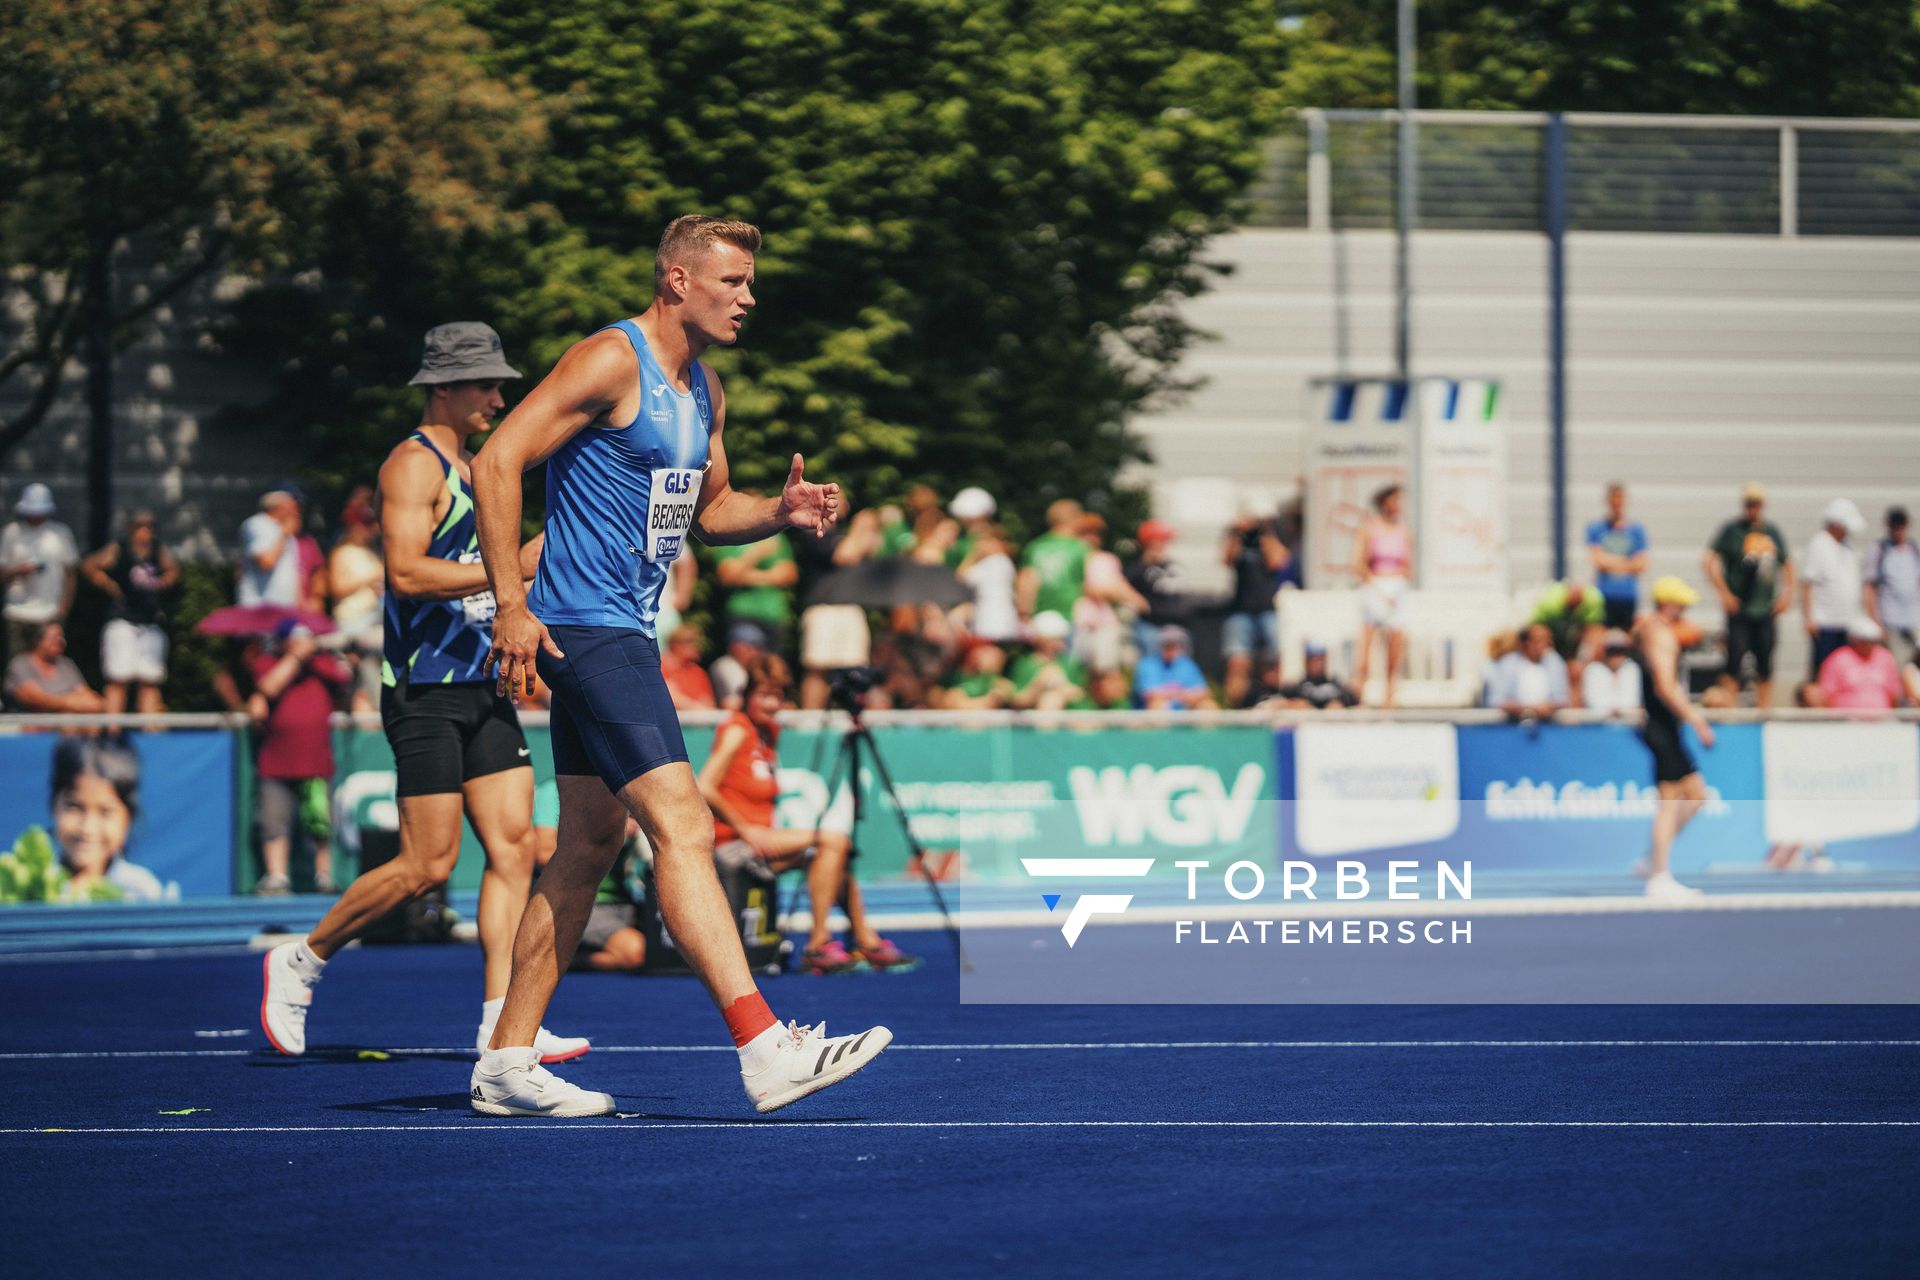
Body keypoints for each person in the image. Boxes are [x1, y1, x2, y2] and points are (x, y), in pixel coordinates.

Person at [467, 215, 890, 1117]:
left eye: (748, 283)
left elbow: (711, 510)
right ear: (675, 282)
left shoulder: (705, 387)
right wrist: (509, 603)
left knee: (586, 843)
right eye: (732, 281)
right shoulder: (608, 361)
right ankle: (763, 1045)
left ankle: (505, 1062)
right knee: (683, 827)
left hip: (626, 629)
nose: (748, 297)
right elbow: (497, 460)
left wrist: (780, 511)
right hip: (584, 628)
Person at [259, 321, 588, 1065]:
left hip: (482, 684)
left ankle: (502, 1026)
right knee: (427, 867)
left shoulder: (477, 466)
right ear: (441, 388)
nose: (498, 398)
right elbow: (405, 574)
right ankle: (302, 958)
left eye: (500, 384)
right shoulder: (412, 467)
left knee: (512, 851)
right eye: (484, 385)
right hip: (424, 688)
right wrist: (513, 570)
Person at [698, 654, 914, 976]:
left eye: (778, 696)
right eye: (764, 695)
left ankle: (865, 939)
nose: (772, 704)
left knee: (835, 852)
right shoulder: (737, 730)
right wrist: (746, 830)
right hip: (733, 846)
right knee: (833, 840)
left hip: (761, 843)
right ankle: (817, 944)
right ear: (747, 696)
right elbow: (704, 786)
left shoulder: (768, 732)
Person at [249, 620, 349, 894]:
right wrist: (295, 658)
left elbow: (343, 677)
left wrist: (315, 655)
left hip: (316, 761)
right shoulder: (268, 662)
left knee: (321, 824)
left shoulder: (321, 664)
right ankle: (277, 876)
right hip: (276, 761)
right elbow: (269, 687)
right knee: (273, 821)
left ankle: (324, 876)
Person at [1635, 577, 1716, 900]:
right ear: (1669, 603)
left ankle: (1653, 858)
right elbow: (1665, 686)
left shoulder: (1650, 629)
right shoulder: (1660, 634)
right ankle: (1659, 876)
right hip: (1661, 724)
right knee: (1669, 801)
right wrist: (1696, 720)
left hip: (1665, 725)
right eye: (1681, 604)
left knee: (1696, 795)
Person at [1704, 482, 1795, 709]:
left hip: (1765, 609)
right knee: (1734, 661)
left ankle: (1764, 711)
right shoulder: (1732, 530)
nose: (1752, 508)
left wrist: (1786, 594)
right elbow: (1709, 561)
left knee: (1764, 663)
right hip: (1740, 610)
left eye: (1756, 504)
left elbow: (1788, 563)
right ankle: (1730, 709)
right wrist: (1724, 593)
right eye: (1748, 504)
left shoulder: (1771, 532)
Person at [49, 735, 172, 902]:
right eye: (74, 807)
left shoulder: (142, 891)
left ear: (128, 818)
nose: (88, 828)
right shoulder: (29, 887)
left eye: (105, 812)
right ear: (54, 807)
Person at [80, 511, 179, 717]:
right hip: (122, 620)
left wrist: (164, 583)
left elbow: (173, 569)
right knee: (118, 680)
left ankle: (149, 734)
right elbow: (89, 565)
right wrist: (107, 584)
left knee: (150, 681)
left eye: (149, 527)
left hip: (150, 622)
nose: (146, 532)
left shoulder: (157, 550)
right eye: (141, 527)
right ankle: (112, 732)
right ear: (132, 529)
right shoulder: (119, 548)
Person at [1, 483, 80, 662]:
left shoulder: (60, 533)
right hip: (17, 612)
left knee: (49, 665)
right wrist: (18, 571)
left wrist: (63, 608)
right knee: (18, 665)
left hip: (50, 612)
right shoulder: (11, 533)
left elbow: (70, 574)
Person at [1352, 484, 1413, 707]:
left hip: (1396, 589)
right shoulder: (1369, 529)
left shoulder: (1404, 530)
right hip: (1375, 587)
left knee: (1394, 647)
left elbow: (1408, 565)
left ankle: (1390, 698)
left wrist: (1397, 586)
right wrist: (1378, 588)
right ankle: (1360, 695)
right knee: (1368, 646)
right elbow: (1358, 564)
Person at [328, 491, 385, 715]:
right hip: (353, 621)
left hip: (374, 618)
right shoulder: (341, 552)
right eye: (366, 524)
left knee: (369, 674)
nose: (371, 529)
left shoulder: (372, 553)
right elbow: (336, 589)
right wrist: (370, 579)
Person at [1222, 512, 1287, 707]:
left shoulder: (1271, 534)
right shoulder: (1236, 538)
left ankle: (1273, 699)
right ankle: (1234, 707)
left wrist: (1264, 531)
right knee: (1238, 663)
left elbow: (1278, 561)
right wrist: (1237, 533)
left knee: (1274, 661)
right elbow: (1227, 559)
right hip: (1240, 609)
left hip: (1267, 609)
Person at [1074, 513, 1148, 673]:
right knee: (1079, 670)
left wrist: (1137, 599)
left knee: (1106, 670)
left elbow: (1119, 585)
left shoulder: (1106, 558)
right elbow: (1095, 589)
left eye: (1096, 532)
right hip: (1079, 621)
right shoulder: (1074, 558)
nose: (1092, 537)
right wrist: (1124, 595)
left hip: (1104, 622)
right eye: (1086, 532)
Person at [1801, 497, 1866, 678]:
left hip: (1848, 622)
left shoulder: (1848, 547)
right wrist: (1809, 617)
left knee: (1845, 670)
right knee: (1824, 668)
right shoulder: (1819, 544)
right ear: (1836, 523)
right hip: (1825, 623)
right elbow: (1807, 583)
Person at [711, 517, 796, 650]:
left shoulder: (777, 538)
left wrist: (746, 574)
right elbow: (727, 576)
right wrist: (757, 553)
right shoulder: (729, 537)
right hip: (743, 612)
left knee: (771, 666)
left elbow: (789, 574)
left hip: (775, 614)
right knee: (746, 660)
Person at [1122, 519, 1191, 659]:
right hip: (1152, 626)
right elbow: (1123, 587)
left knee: (1179, 670)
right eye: (1161, 540)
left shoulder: (1172, 564)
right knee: (1154, 665)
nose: (1164, 545)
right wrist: (1137, 601)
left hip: (1178, 625)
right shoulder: (1138, 568)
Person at [1586, 482, 1648, 631]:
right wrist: (1627, 562)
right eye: (1614, 500)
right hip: (1604, 594)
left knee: (1627, 637)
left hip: (1628, 594)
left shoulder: (1636, 530)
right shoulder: (1596, 528)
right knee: (1602, 636)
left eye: (1620, 500)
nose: (1617, 504)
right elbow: (1597, 561)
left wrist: (1611, 562)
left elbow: (1641, 565)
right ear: (1607, 502)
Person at [3, 623, 104, 714]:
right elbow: (35, 699)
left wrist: (61, 703)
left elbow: (91, 699)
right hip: (30, 724)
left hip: (67, 717)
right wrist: (70, 702)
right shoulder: (20, 664)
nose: (61, 641)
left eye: (61, 637)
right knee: (68, 721)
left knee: (87, 722)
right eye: (55, 637)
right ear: (38, 641)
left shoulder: (66, 664)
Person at [1865, 506, 1920, 668]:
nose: (1898, 531)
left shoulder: (1913, 550)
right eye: (1894, 527)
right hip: (1891, 619)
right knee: (1897, 664)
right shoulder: (1880, 550)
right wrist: (1875, 621)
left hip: (1914, 619)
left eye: (1901, 527)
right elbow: (1870, 587)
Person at [1481, 623, 1572, 721]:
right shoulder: (1508, 663)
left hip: (1548, 725)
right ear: (1526, 643)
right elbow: (1495, 700)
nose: (1546, 645)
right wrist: (1526, 709)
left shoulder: (1554, 661)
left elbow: (1562, 698)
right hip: (1512, 725)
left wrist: (1549, 706)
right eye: (1540, 640)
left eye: (1548, 640)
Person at [1018, 498, 1088, 623]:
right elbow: (1090, 584)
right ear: (1076, 519)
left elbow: (1026, 583)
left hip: (1041, 618)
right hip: (1073, 616)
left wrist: (1025, 616)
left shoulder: (1035, 547)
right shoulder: (1081, 547)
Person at [1009, 611, 1093, 711]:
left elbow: (1082, 697)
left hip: (1068, 719)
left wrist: (1063, 686)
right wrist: (1039, 684)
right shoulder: (1024, 664)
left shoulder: (1069, 664)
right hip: (1033, 720)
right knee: (1050, 700)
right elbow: (1018, 701)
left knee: (1053, 698)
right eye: (1055, 638)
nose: (1059, 642)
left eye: (1060, 638)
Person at [1817, 617, 1902, 713]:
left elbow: (1894, 693)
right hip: (1846, 722)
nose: (1869, 645)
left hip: (1881, 720)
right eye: (1865, 641)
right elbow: (1826, 694)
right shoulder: (1838, 658)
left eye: (1873, 641)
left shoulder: (1885, 657)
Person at [236, 489, 305, 607]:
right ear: (278, 508)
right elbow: (266, 562)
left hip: (285, 605)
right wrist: (284, 534)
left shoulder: (285, 532)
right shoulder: (258, 524)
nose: (297, 513)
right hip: (260, 606)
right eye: (292, 507)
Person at [957, 523, 1022, 645]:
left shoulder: (994, 562)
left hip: (990, 624)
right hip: (1000, 623)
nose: (980, 546)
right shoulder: (1004, 562)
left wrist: (972, 556)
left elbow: (960, 578)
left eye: (984, 541)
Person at [1134, 625, 1217, 710]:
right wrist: (1182, 695)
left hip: (1185, 709)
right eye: (1167, 644)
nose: (1171, 648)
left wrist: (1187, 697)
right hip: (1154, 712)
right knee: (1157, 705)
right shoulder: (1148, 664)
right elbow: (1149, 695)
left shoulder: (1187, 664)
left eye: (1175, 644)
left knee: (1208, 705)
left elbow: (1205, 692)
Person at [1267, 641, 1357, 710]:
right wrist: (1293, 704)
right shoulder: (1296, 687)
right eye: (1314, 659)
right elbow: (1274, 703)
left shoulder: (1337, 685)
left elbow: (1355, 704)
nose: (1318, 664)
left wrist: (1338, 706)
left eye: (1321, 659)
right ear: (1306, 661)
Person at [1580, 630, 1644, 716]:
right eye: (1612, 650)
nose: (1616, 655)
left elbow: (1633, 701)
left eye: (1620, 650)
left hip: (1629, 723)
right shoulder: (1593, 670)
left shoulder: (1633, 669)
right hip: (1599, 724)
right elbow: (1593, 703)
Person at [941, 638, 1014, 710]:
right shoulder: (970, 683)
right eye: (984, 652)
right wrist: (989, 701)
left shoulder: (1002, 684)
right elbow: (951, 701)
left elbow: (1017, 698)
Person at [709, 621, 767, 710]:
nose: (755, 652)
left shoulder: (756, 666)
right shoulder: (725, 666)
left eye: (758, 648)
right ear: (734, 646)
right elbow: (731, 703)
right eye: (749, 647)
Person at [660, 624, 718, 710]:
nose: (697, 645)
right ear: (674, 644)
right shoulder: (660, 666)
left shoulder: (697, 672)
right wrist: (695, 706)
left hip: (695, 719)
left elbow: (708, 703)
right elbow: (669, 697)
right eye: (690, 641)